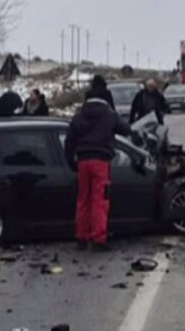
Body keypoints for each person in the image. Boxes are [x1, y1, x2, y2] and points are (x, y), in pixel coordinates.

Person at [65, 85, 132, 251]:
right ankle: (98, 239)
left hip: (82, 162)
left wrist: (71, 161)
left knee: (83, 200)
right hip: (101, 162)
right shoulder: (109, 114)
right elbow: (126, 129)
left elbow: (69, 141)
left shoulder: (79, 116)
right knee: (100, 201)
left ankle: (81, 237)